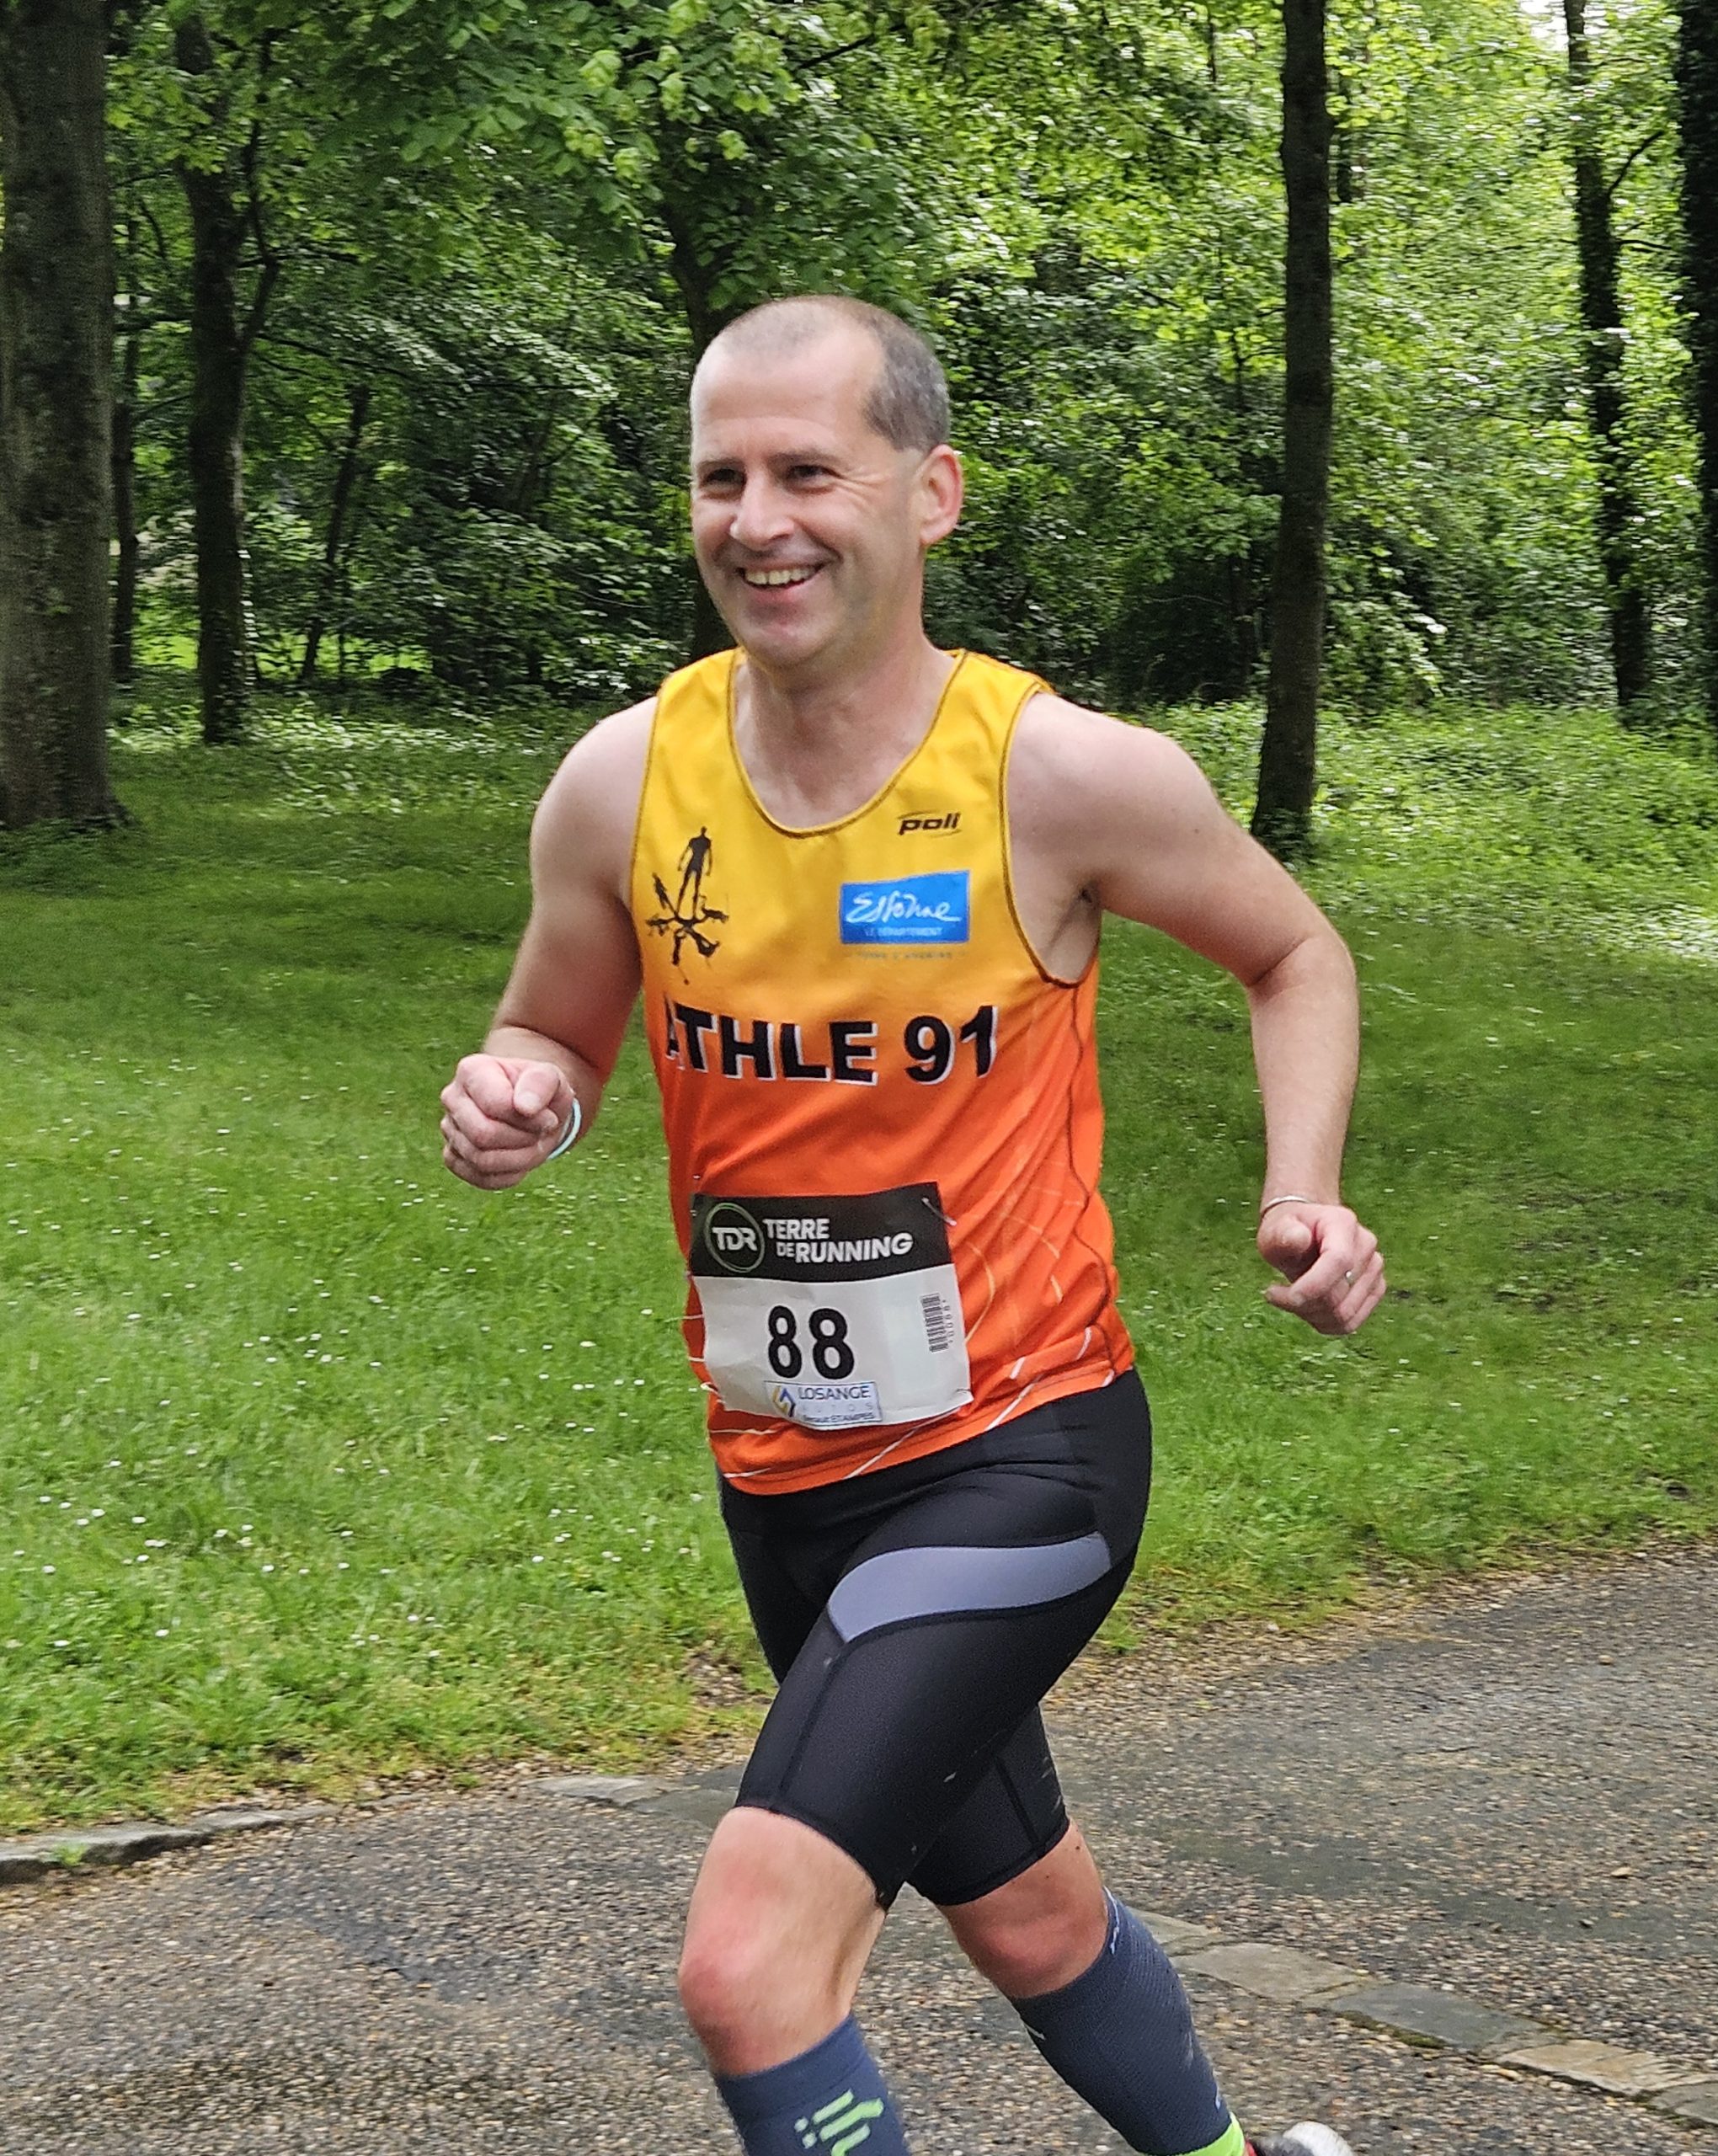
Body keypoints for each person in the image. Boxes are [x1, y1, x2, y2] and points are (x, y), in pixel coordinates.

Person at [440, 295, 1385, 2156]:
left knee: (750, 1968)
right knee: (1027, 1912)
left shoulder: (1056, 774)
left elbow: (1295, 953)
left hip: (1019, 1452)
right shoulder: (624, 779)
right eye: (720, 477)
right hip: (784, 1469)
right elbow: (551, 1025)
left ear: (930, 492)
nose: (757, 521)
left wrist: (1303, 1189)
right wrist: (520, 1094)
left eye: (809, 470)